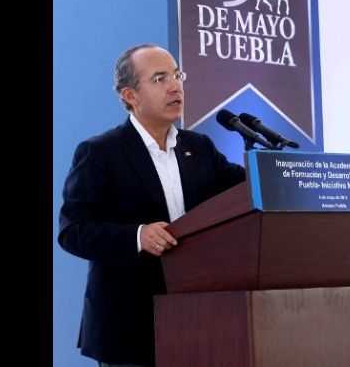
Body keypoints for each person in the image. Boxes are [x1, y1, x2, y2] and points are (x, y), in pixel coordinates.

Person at [58, 44, 246, 366]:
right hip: (129, 325)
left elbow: (246, 190)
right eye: (159, 79)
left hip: (197, 318)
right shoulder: (100, 153)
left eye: (177, 75)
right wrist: (138, 236)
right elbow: (73, 231)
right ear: (130, 95)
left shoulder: (198, 147)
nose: (175, 86)